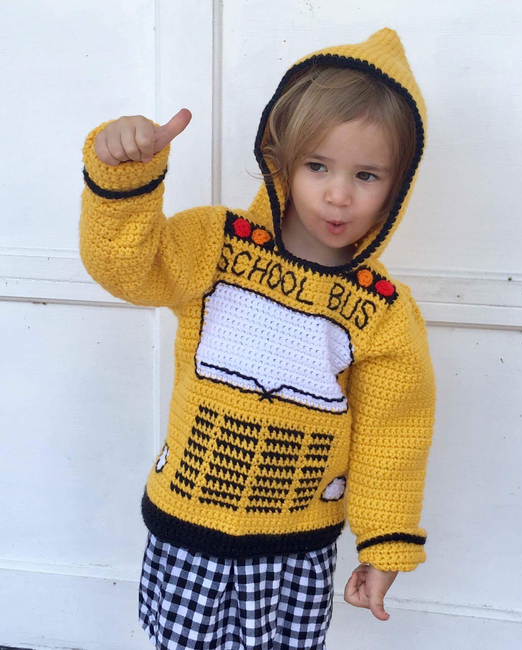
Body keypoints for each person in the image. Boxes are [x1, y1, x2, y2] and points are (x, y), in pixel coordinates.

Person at [79, 26, 437, 650]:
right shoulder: (217, 244)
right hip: (189, 528)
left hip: (296, 551)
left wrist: (384, 545)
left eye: (367, 175)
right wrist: (126, 179)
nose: (338, 194)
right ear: (280, 159)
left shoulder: (382, 311)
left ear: (398, 185)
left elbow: (392, 437)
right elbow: (128, 269)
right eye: (318, 165)